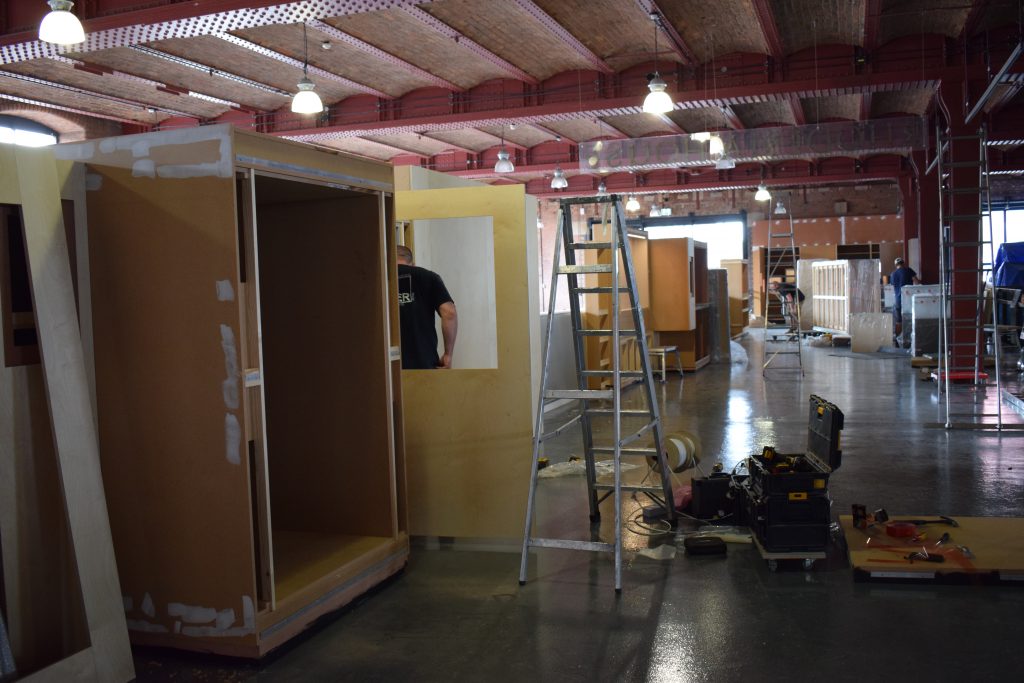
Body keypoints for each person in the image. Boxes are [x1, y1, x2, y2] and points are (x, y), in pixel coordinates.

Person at [396, 245, 458, 369]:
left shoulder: (378, 280)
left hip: (385, 363)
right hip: (423, 361)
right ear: (412, 263)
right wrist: (448, 354)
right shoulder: (429, 277)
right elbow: (449, 313)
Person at [890, 257, 921, 342]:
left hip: (898, 300)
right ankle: (911, 340)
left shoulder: (893, 274)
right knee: (911, 318)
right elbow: (917, 282)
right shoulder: (908, 270)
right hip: (909, 300)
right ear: (903, 263)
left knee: (899, 321)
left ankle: (897, 340)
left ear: (896, 265)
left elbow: (893, 287)